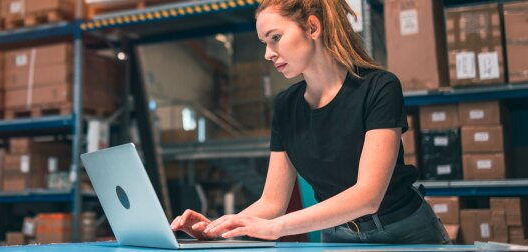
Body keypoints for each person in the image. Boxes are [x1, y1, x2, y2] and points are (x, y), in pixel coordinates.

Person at [169, 0, 450, 244]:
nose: (268, 53)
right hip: (339, 237)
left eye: (275, 37)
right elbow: (272, 202)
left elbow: (368, 196)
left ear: (313, 28)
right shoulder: (286, 106)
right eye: (265, 43)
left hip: (405, 233)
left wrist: (276, 227)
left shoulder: (379, 88)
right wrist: (217, 229)